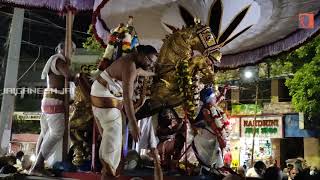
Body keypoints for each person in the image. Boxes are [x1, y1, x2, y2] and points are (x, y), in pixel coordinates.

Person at [90, 44, 158, 178]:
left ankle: (109, 170)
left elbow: (141, 72)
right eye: (149, 61)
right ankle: (108, 173)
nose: (150, 64)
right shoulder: (129, 66)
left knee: (113, 134)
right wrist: (133, 123)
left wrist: (154, 73)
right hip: (104, 96)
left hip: (104, 94)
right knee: (114, 134)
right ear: (142, 55)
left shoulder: (133, 61)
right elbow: (127, 97)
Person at [29, 42, 75, 176]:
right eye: (70, 49)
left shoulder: (59, 60)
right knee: (57, 132)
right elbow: (69, 75)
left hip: (49, 100)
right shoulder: (59, 60)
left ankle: (37, 165)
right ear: (60, 49)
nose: (72, 52)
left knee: (45, 134)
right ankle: (37, 166)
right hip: (54, 101)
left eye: (73, 50)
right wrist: (80, 77)